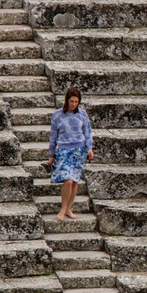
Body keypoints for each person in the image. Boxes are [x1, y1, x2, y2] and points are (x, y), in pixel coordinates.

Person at [48, 87, 94, 221]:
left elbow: (87, 132)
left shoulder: (82, 114)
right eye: (72, 101)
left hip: (79, 151)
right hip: (63, 150)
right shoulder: (57, 115)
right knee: (67, 181)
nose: (74, 104)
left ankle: (69, 208)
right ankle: (63, 208)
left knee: (74, 181)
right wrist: (51, 154)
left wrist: (89, 148)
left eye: (76, 102)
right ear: (67, 100)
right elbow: (53, 136)